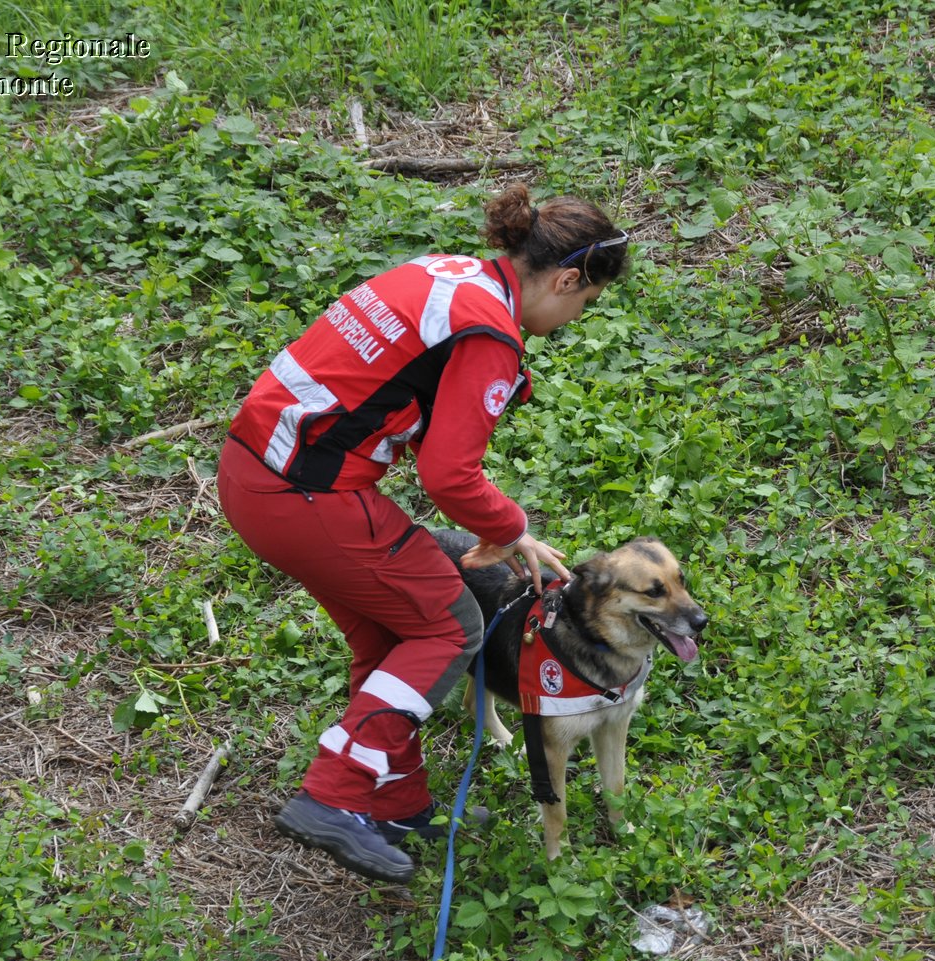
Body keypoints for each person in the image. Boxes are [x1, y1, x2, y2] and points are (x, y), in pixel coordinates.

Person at [218, 184, 629, 883]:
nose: (572, 317)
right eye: (583, 303)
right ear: (567, 279)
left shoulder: (450, 273)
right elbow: (448, 474)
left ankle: (396, 798)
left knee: (391, 632)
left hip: (254, 469)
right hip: (307, 491)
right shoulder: (492, 331)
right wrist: (514, 527)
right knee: (449, 624)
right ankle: (335, 794)